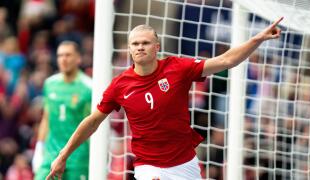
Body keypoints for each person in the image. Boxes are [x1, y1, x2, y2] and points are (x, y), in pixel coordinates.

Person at [46, 17, 283, 180]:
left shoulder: (177, 68)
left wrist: (257, 39)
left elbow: (225, 61)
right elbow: (92, 121)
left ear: (157, 46)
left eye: (146, 42)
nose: (140, 47)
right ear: (129, 50)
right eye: (135, 44)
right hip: (149, 166)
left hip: (185, 163)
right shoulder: (120, 85)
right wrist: (62, 155)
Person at [32, 41, 92, 180]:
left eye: (68, 55)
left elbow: (94, 123)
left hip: (77, 158)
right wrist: (39, 147)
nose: (63, 59)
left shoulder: (89, 87)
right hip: (51, 156)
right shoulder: (50, 84)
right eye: (60, 55)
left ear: (78, 58)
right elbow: (46, 118)